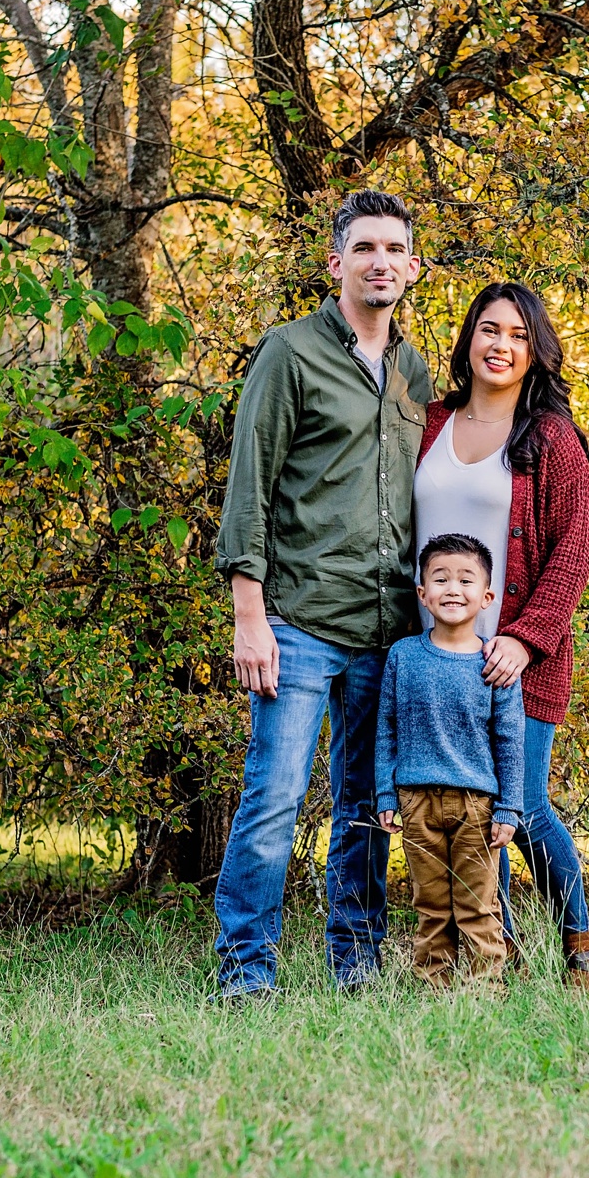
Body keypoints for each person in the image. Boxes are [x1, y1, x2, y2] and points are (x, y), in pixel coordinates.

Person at [210, 191, 433, 998]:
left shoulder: (413, 369)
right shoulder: (289, 353)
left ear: (412, 267)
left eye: (394, 249)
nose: (380, 262)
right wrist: (249, 616)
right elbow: (250, 487)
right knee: (272, 802)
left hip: (386, 628)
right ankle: (246, 972)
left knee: (368, 810)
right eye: (364, 248)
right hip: (298, 622)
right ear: (335, 263)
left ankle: (357, 964)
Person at [415, 282, 589, 989]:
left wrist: (526, 639)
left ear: (536, 351)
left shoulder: (550, 437)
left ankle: (579, 938)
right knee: (464, 814)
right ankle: (505, 952)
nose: (501, 345)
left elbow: (573, 551)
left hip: (515, 659)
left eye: (519, 335)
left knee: (520, 809)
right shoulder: (430, 423)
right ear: (467, 340)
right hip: (438, 658)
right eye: (489, 330)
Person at [375, 533, 525, 987]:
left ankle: (483, 993)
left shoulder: (494, 661)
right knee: (432, 905)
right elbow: (386, 727)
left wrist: (509, 806)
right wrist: (386, 789)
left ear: (486, 595)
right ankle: (434, 992)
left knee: (478, 905)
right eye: (440, 579)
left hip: (477, 806)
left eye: (465, 580)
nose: (452, 589)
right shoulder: (403, 656)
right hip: (416, 803)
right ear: (422, 594)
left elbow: (510, 739)